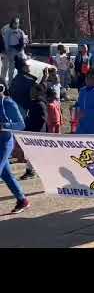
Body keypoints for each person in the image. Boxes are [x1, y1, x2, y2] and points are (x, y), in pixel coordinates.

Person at [0, 78, 30, 213]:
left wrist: (4, 125)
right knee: (6, 174)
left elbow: (21, 124)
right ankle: (22, 200)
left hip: (5, 143)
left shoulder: (8, 103)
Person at [74, 68, 94, 134]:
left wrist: (85, 113)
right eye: (87, 77)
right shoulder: (82, 90)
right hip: (82, 125)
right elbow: (79, 104)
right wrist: (74, 108)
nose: (88, 79)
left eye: (91, 77)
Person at [2, 17, 27, 84]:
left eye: (18, 23)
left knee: (21, 66)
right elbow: (6, 42)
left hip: (19, 50)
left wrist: (22, 47)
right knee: (11, 68)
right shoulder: (8, 31)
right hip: (11, 50)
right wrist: (7, 51)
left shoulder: (20, 31)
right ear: (12, 23)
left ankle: (21, 80)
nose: (16, 24)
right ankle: (10, 82)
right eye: (15, 23)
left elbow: (24, 41)